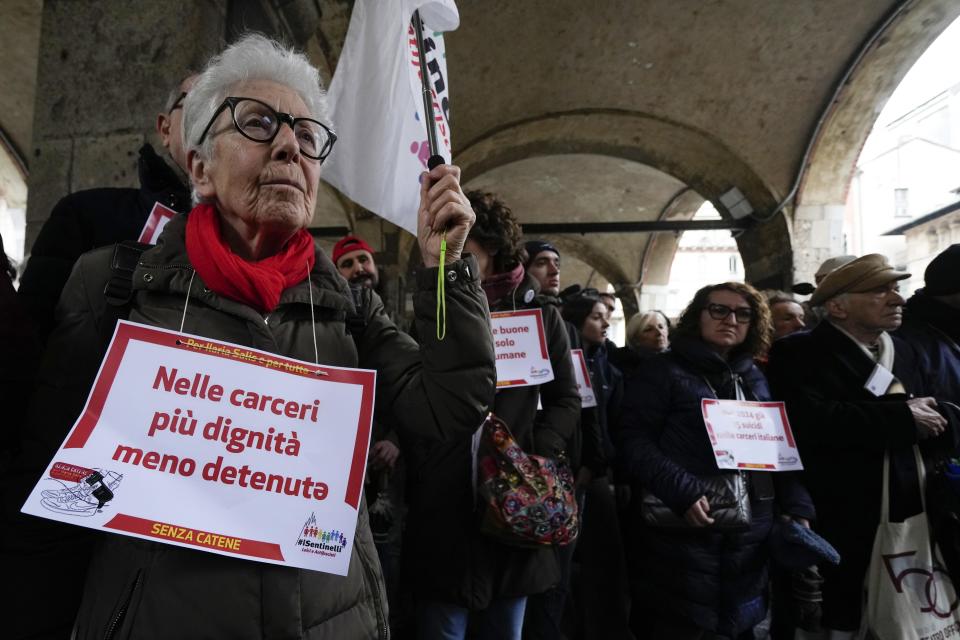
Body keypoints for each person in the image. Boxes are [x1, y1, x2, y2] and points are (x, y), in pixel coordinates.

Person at [3, 34, 495, 639]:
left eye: (309, 136)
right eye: (259, 123)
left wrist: (445, 268)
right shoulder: (113, 285)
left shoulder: (349, 308)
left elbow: (451, 403)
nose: (290, 145)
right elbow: (46, 500)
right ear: (200, 167)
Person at [403, 190, 579, 640]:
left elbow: (565, 398)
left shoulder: (539, 315)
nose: (453, 261)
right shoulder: (435, 307)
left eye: (466, 253)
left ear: (495, 251)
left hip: (516, 497)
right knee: (443, 624)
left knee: (506, 628)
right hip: (446, 493)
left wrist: (534, 454)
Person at [766, 254, 954, 635]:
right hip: (841, 511)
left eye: (897, 290)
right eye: (880, 291)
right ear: (837, 306)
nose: (898, 300)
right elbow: (807, 420)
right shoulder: (799, 353)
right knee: (845, 613)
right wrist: (902, 419)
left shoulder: (906, 349)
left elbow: (932, 408)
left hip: (912, 506)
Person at [616, 282, 814, 639]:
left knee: (741, 624)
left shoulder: (754, 376)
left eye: (743, 314)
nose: (731, 320)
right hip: (687, 528)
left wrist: (796, 503)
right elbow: (634, 439)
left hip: (751, 534)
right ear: (698, 316)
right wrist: (682, 490)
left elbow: (776, 447)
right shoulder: (662, 372)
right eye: (719, 310)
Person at [17, 74, 197, 342]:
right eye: (199, 101)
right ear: (165, 129)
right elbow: (27, 334)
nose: (213, 117)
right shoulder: (85, 215)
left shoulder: (259, 241)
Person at [561, 291, 631, 640]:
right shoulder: (563, 361)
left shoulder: (608, 367)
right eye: (596, 317)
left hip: (597, 473)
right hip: (566, 471)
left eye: (606, 317)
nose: (605, 324)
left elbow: (610, 422)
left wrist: (600, 463)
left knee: (604, 560)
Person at [610, 309, 670, 378]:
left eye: (661, 327)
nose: (659, 332)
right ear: (635, 338)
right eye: (649, 329)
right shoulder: (623, 367)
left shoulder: (677, 362)